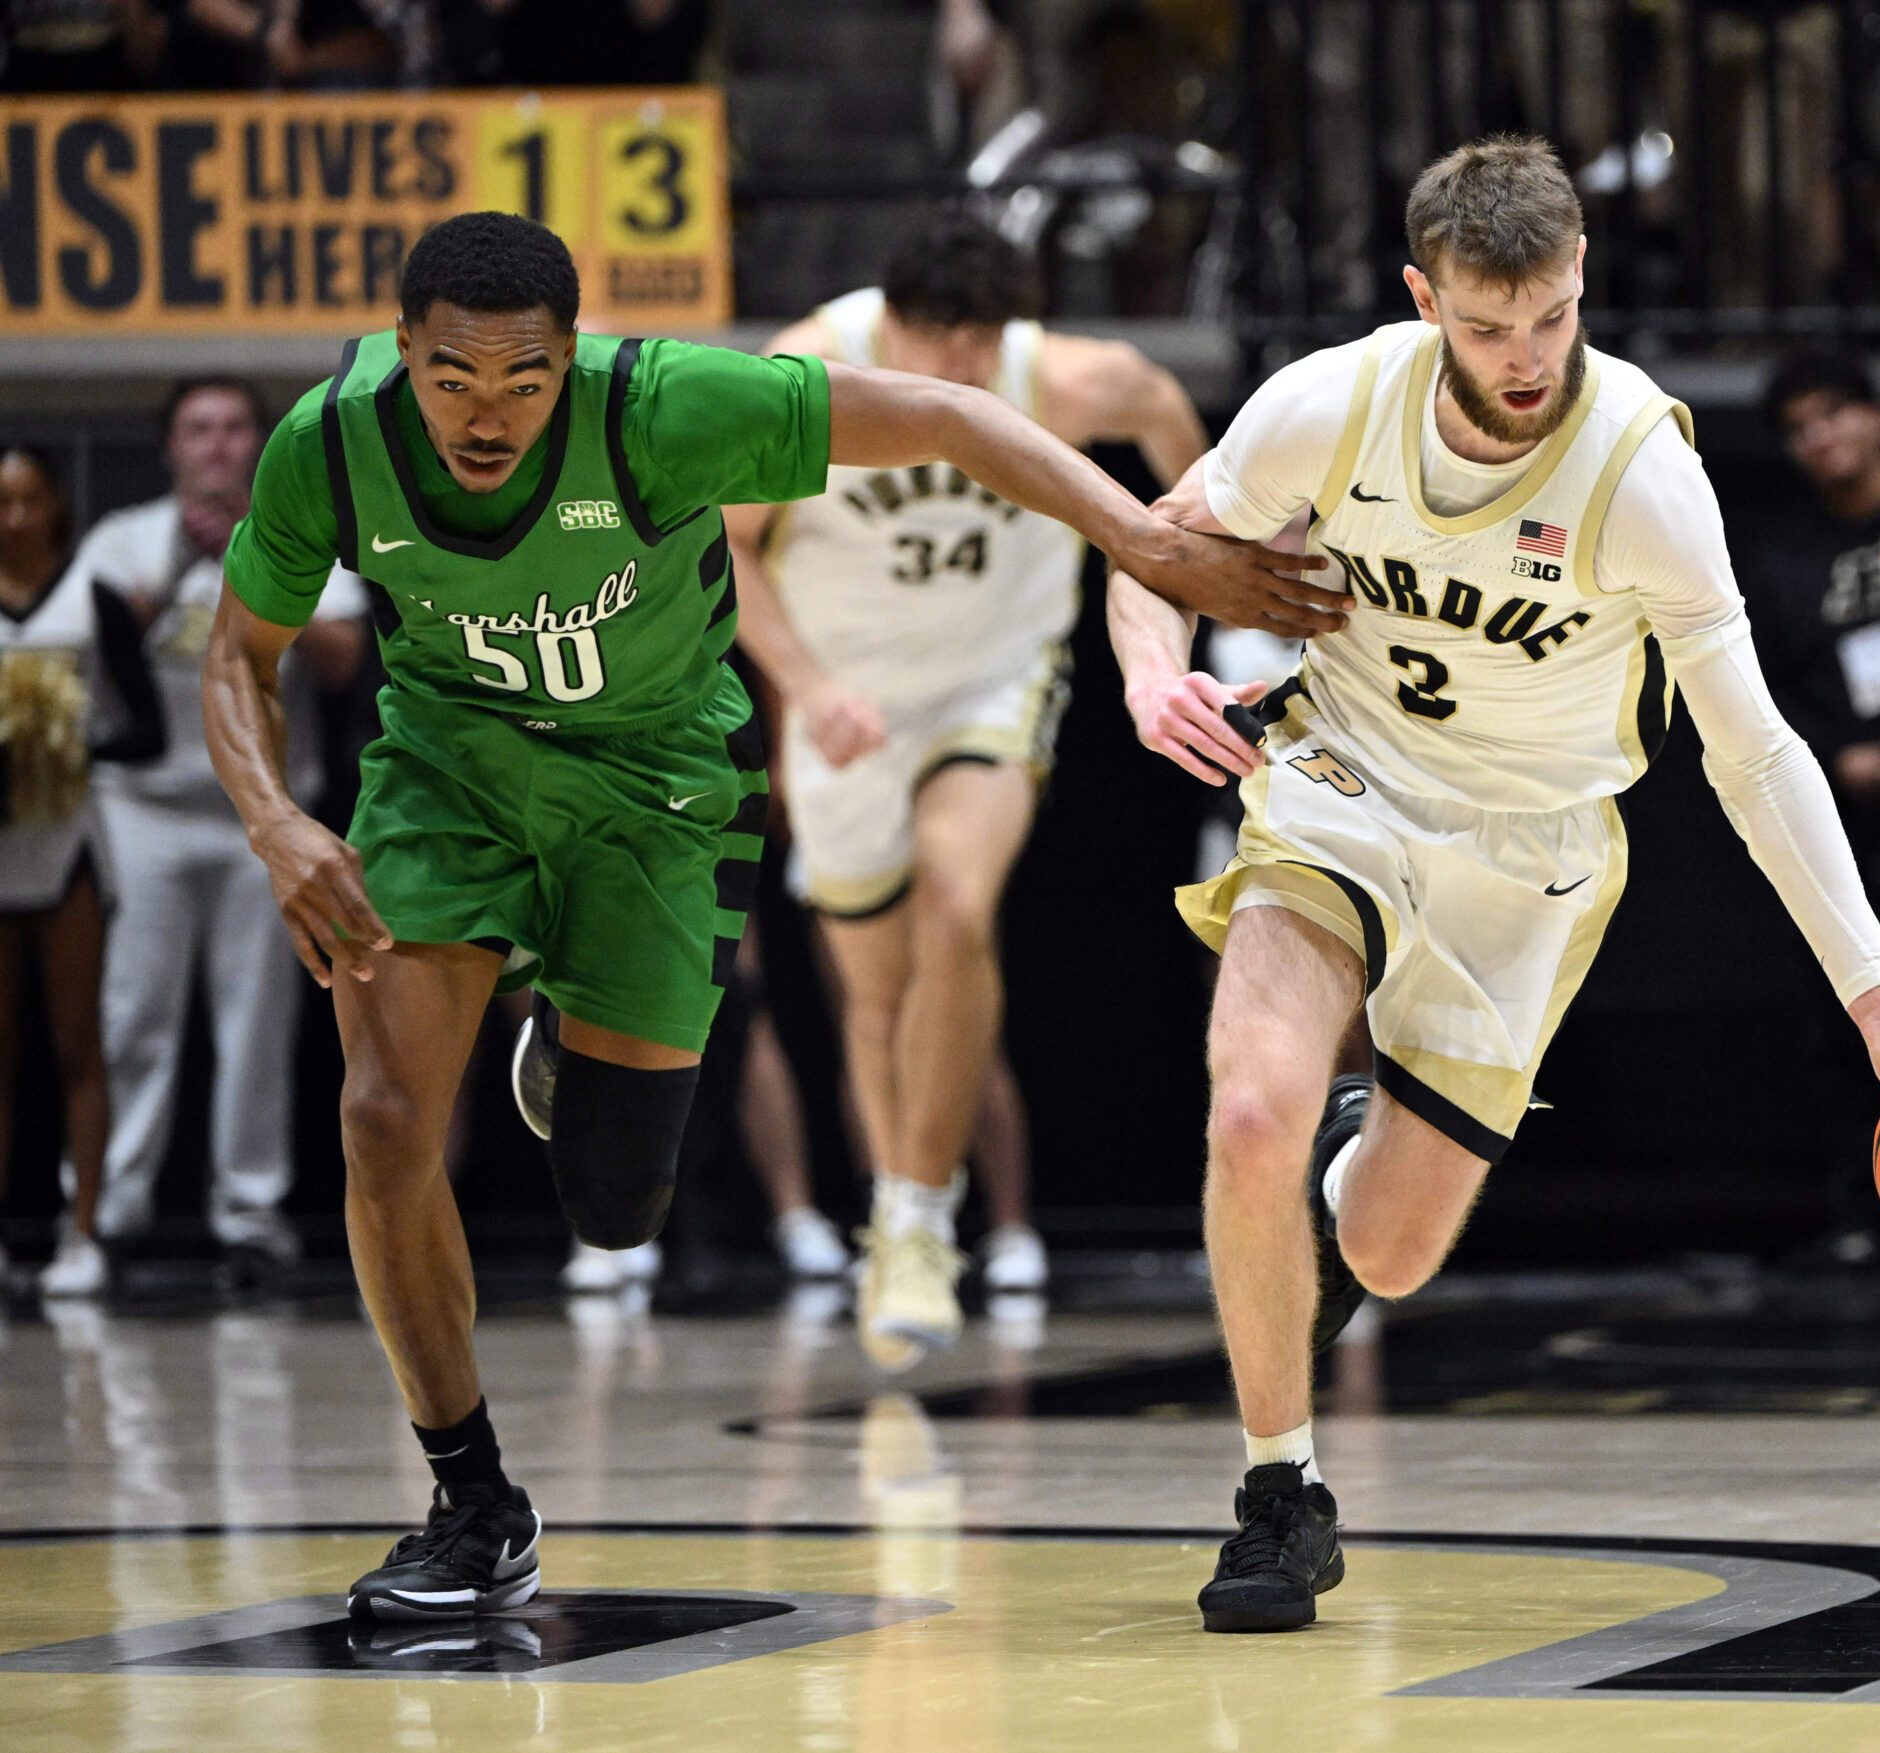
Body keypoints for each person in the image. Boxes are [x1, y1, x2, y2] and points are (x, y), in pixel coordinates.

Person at [202, 208, 1341, 1621]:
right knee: (382, 1118)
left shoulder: (668, 403)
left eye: (522, 381)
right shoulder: (331, 439)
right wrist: (276, 820)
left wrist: (1148, 546)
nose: (485, 415)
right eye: (451, 378)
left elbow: (949, 417)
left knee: (621, 1206)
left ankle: (579, 1028)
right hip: (451, 770)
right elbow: (235, 653)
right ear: (400, 351)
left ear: (575, 357)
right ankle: (471, 1496)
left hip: (654, 780)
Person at [1106, 136, 1880, 1633]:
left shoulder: (1643, 473)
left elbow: (1759, 756)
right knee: (1243, 1099)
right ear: (1422, 296)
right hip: (1340, 784)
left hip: (1530, 855)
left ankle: (1335, 1177)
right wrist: (1152, 679)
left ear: (1582, 283)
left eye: (1551, 319)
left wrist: (1879, 997)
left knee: (1382, 1245)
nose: (1525, 360)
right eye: (1485, 325)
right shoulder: (1330, 405)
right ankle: (1278, 1494)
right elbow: (1151, 550)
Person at [729, 208, 1214, 1363]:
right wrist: (799, 686)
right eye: (937, 344)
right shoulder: (802, 375)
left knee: (957, 898)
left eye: (978, 347)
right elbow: (724, 545)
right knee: (874, 991)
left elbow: (1161, 413)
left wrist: (1215, 572)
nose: (959, 372)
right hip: (846, 697)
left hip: (993, 685)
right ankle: (902, 1205)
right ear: (887, 323)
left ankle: (913, 1215)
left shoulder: (1063, 375)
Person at [66, 379, 368, 1288]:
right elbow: (77, 659)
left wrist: (251, 570)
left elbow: (348, 657)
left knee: (257, 1025)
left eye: (237, 428)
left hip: (265, 821)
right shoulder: (121, 536)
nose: (219, 445)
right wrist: (165, 582)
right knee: (132, 1016)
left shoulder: (300, 531)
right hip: (142, 812)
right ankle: (107, 1214)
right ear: (171, 447)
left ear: (260, 444)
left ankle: (250, 1215)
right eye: (200, 429)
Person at [1743, 350, 1880, 1262]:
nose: (1821, 438)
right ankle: (1870, 1209)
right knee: (1846, 1010)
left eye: (1834, 413)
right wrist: (1843, 755)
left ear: (1879, 414)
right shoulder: (1787, 554)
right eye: (1800, 427)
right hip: (1845, 799)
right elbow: (1763, 686)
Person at [0, 446, 164, 1296]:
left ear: (55, 507)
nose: (15, 518)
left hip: (69, 843)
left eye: (29, 500)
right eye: (3, 502)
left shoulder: (90, 597)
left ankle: (84, 1231)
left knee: (77, 1043)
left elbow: (148, 730)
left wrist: (67, 745)